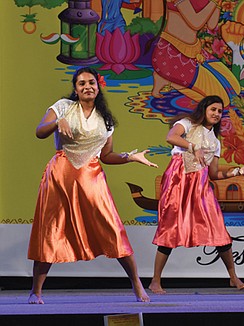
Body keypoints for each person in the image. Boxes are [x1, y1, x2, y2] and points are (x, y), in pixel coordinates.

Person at [28, 66, 158, 304]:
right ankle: (36, 291)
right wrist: (58, 122)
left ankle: (137, 284)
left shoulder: (105, 119)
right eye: (81, 83)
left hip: (92, 176)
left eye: (91, 83)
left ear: (98, 87)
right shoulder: (63, 107)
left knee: (112, 228)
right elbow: (39, 132)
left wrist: (130, 156)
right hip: (61, 175)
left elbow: (107, 156)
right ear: (75, 89)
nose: (87, 86)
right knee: (51, 229)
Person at [149, 95, 244, 294]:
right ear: (204, 109)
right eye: (213, 109)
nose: (216, 114)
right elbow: (171, 137)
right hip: (178, 180)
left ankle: (233, 277)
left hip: (200, 185)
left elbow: (214, 174)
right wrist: (192, 147)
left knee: (217, 226)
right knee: (171, 227)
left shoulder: (215, 141)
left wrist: (237, 172)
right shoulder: (187, 124)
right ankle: (155, 280)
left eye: (219, 111)